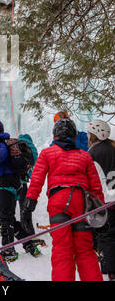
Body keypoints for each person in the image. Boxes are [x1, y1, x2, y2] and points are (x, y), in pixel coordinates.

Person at [21, 117, 104, 281]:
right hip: (81, 202)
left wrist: (28, 206)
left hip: (58, 202)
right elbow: (95, 187)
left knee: (62, 250)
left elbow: (37, 179)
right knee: (85, 250)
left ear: (55, 136)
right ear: (73, 136)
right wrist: (99, 212)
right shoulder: (84, 156)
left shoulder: (47, 153)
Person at [0, 120, 40, 261]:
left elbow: (2, 156)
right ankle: (28, 243)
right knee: (9, 217)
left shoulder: (0, 143)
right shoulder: (6, 142)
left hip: (7, 182)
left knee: (4, 217)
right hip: (14, 181)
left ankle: (8, 250)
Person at [87, 119, 115, 281]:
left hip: (106, 200)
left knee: (107, 236)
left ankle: (111, 272)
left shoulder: (93, 152)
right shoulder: (113, 147)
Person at [18, 133, 38, 235]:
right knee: (24, 209)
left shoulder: (17, 144)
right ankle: (29, 232)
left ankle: (17, 232)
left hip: (14, 182)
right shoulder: (31, 148)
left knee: (9, 212)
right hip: (24, 183)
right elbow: (33, 164)